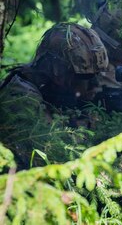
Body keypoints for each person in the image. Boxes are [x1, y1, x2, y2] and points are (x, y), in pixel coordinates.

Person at [0, 23, 109, 168]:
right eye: (87, 76)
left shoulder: (53, 92)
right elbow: (55, 155)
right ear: (57, 70)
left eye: (97, 75)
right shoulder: (20, 98)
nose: (96, 84)